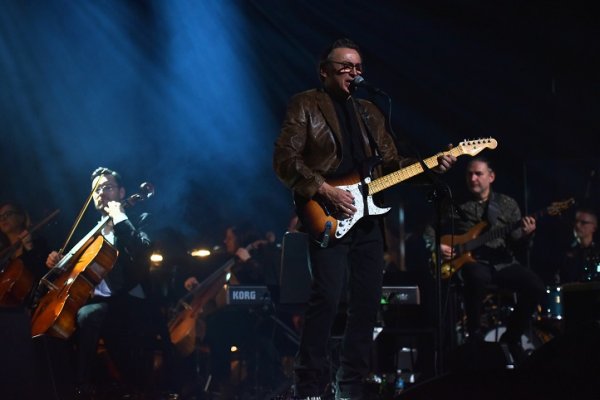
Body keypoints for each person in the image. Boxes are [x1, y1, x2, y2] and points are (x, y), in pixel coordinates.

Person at [273, 38, 455, 399]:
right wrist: (324, 190)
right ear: (324, 71)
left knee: (368, 303)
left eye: (358, 67)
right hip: (328, 212)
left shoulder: (370, 111)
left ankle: (350, 385)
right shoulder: (305, 104)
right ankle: (309, 384)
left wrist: (430, 166)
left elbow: (392, 164)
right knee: (326, 298)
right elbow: (285, 160)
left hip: (369, 218)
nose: (353, 73)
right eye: (345, 67)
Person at [45, 167, 154, 399]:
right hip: (91, 299)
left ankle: (82, 384)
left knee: (88, 315)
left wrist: (120, 217)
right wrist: (58, 262)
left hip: (126, 299)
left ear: (122, 192)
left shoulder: (138, 220)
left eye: (107, 187)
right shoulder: (90, 232)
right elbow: (75, 272)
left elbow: (142, 251)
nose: (101, 193)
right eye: (96, 190)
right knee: (57, 320)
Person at [435, 157, 545, 360]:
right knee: (475, 275)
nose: (473, 178)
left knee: (536, 286)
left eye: (478, 174)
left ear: (491, 176)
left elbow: (517, 244)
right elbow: (430, 230)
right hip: (471, 262)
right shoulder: (455, 203)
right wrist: (437, 245)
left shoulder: (507, 204)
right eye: (469, 174)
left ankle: (512, 337)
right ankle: (474, 336)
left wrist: (526, 234)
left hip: (502, 262)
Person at [182, 223, 282, 397]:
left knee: (218, 323)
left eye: (229, 238)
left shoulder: (260, 255)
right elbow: (221, 296)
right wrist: (199, 290)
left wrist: (248, 261)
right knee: (216, 322)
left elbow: (265, 283)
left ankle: (221, 381)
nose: (225, 241)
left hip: (258, 318)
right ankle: (211, 380)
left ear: (240, 238)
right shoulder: (234, 263)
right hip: (238, 315)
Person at [0, 201, 48, 308]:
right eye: (0, 217)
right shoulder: (4, 256)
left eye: (8, 214)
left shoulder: (38, 243)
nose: (3, 219)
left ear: (21, 217)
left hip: (38, 302)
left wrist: (29, 247)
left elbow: (44, 273)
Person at [557, 207, 599, 284]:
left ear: (594, 227)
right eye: (576, 221)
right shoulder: (568, 252)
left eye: (583, 222)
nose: (577, 225)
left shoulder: (597, 252)